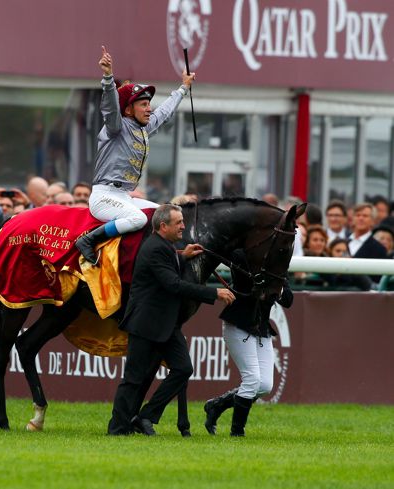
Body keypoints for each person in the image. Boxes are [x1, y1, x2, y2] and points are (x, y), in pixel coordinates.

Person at [107, 204, 235, 436]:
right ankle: (116, 429)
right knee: (133, 379)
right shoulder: (156, 248)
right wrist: (213, 293)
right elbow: (172, 284)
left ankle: (146, 416)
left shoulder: (164, 246)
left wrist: (183, 256)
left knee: (183, 369)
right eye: (178, 223)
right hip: (145, 323)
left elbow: (168, 268)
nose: (183, 227)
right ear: (163, 226)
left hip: (165, 324)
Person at [76, 45, 196, 265]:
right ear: (129, 110)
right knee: (138, 218)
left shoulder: (143, 129)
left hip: (124, 197)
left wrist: (183, 88)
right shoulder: (115, 126)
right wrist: (108, 76)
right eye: (143, 104)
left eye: (149, 103)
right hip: (103, 197)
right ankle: (88, 240)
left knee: (164, 214)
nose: (149, 108)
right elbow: (111, 107)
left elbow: (164, 113)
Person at [204, 248, 293, 437]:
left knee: (265, 386)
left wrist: (279, 282)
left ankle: (216, 405)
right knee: (252, 380)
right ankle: (237, 433)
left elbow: (288, 300)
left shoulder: (278, 265)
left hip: (260, 327)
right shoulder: (242, 255)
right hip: (238, 323)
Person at [349, 203, 387, 282]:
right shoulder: (342, 242)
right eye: (358, 215)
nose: (361, 218)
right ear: (352, 219)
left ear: (373, 221)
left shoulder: (379, 249)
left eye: (365, 216)